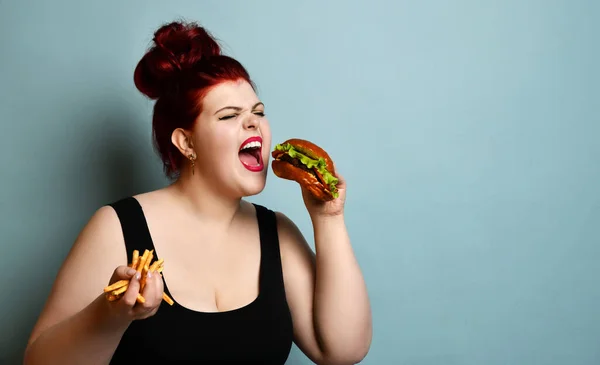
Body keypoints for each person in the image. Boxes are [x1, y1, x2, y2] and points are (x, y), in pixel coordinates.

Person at [23, 20, 372, 365]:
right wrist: (111, 314)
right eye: (228, 116)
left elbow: (342, 351)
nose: (254, 123)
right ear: (186, 142)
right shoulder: (117, 227)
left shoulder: (278, 234)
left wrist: (329, 218)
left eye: (258, 112)